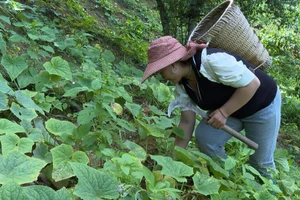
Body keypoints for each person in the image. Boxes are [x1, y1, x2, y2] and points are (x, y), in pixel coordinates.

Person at [141, 36, 281, 178]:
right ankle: (229, 179)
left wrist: (224, 112)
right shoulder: (182, 86)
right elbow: (186, 122)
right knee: (207, 137)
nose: (161, 77)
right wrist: (171, 160)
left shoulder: (212, 61)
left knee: (260, 162)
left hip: (261, 104)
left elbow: (252, 84)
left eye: (160, 71)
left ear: (173, 65)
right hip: (232, 109)